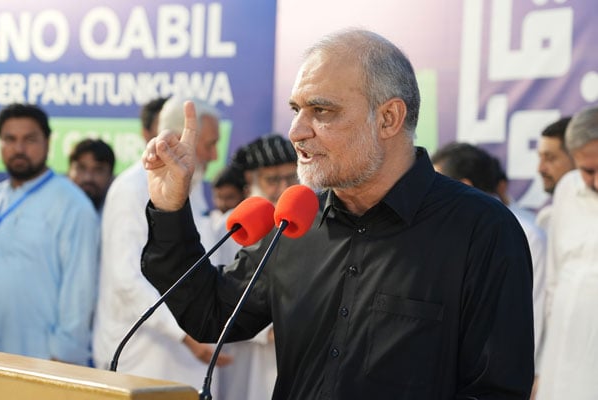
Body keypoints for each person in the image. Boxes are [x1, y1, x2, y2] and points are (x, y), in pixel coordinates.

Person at [140, 28, 534, 399]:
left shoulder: (481, 229)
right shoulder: (295, 223)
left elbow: (494, 390)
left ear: (389, 119)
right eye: (296, 109)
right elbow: (209, 313)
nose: (296, 131)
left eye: (321, 110)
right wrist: (170, 206)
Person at [92, 96, 231, 386]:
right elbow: (127, 280)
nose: (215, 155)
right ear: (183, 139)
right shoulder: (131, 189)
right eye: (209, 144)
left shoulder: (193, 186)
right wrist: (185, 335)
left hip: (191, 355)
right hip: (143, 355)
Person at [0, 103, 99, 365]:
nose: (19, 149)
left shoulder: (72, 204)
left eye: (29, 139)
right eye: (10, 139)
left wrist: (61, 359)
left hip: (42, 360)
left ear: (48, 142)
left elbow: (80, 290)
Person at [431, 142, 547, 364]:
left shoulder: (525, 232)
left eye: (437, 182)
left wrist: (531, 373)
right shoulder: (442, 230)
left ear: (464, 185)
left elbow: (535, 311)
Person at [215, 133, 297, 400]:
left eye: (290, 177)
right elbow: (216, 299)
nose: (283, 187)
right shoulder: (228, 229)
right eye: (273, 180)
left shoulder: (309, 225)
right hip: (244, 361)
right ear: (250, 183)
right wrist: (271, 329)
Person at [535, 105, 598, 400]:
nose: (595, 181)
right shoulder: (566, 191)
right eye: (587, 171)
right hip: (560, 357)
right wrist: (538, 367)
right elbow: (553, 283)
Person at [536, 116, 574, 231]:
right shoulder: (546, 219)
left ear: (577, 157)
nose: (540, 168)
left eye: (550, 158)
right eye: (540, 158)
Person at [67, 138, 116, 212]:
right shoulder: (53, 209)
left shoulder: (119, 211)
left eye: (98, 170)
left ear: (111, 176)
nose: (88, 178)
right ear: (69, 171)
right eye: (81, 168)